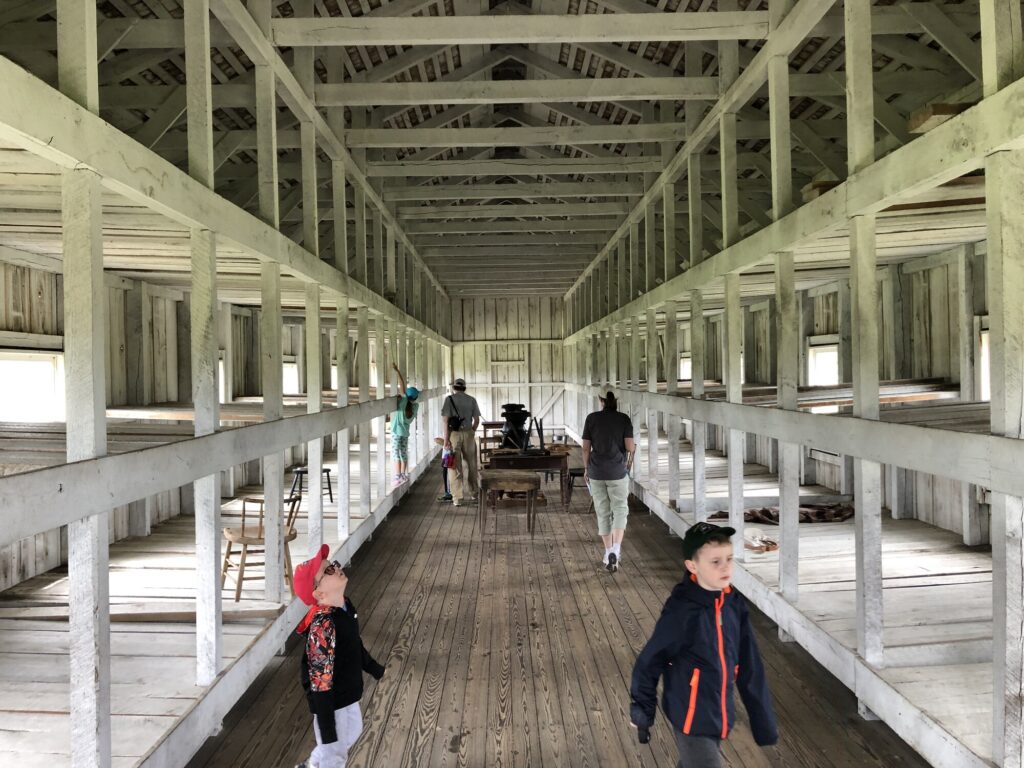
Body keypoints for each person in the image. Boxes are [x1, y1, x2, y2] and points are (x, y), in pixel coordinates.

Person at [629, 523, 778, 768]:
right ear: (692, 566)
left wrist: (764, 721)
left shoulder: (732, 603)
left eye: (729, 559)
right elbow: (650, 659)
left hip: (720, 711)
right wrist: (642, 711)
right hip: (690, 714)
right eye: (715, 561)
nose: (726, 567)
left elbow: (750, 665)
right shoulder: (683, 611)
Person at [293, 544, 386, 768]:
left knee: (354, 730)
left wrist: (372, 666)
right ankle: (322, 761)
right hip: (329, 699)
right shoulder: (323, 626)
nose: (336, 567)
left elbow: (353, 644)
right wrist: (326, 728)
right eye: (328, 570)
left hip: (346, 690)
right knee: (335, 756)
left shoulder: (344, 606)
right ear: (319, 594)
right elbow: (319, 682)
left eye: (332, 564)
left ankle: (313, 764)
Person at [581, 391, 635, 572]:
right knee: (620, 510)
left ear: (601, 400)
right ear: (616, 400)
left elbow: (585, 448)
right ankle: (616, 549)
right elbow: (629, 447)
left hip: (597, 472)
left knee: (602, 512)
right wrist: (633, 447)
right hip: (617, 472)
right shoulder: (624, 419)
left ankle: (607, 552)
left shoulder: (591, 418)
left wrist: (587, 469)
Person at [440, 377, 481, 507]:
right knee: (472, 464)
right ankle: (474, 493)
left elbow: (445, 421)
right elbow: (477, 420)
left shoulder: (449, 400)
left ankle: (457, 498)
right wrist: (471, 431)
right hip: (468, 434)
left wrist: (446, 440)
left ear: (454, 388)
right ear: (464, 387)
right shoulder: (471, 400)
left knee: (453, 466)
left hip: (454, 435)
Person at [390, 363, 419, 485]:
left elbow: (401, 385)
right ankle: (403, 474)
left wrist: (397, 371)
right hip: (405, 433)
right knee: (403, 453)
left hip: (397, 431)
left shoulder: (403, 402)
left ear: (406, 395)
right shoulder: (416, 406)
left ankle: (397, 476)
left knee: (396, 454)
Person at [434, 436, 454, 502]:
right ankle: (449, 493)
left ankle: (449, 494)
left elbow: (436, 440)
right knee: (446, 475)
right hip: (447, 456)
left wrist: (445, 442)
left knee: (447, 475)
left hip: (448, 457)